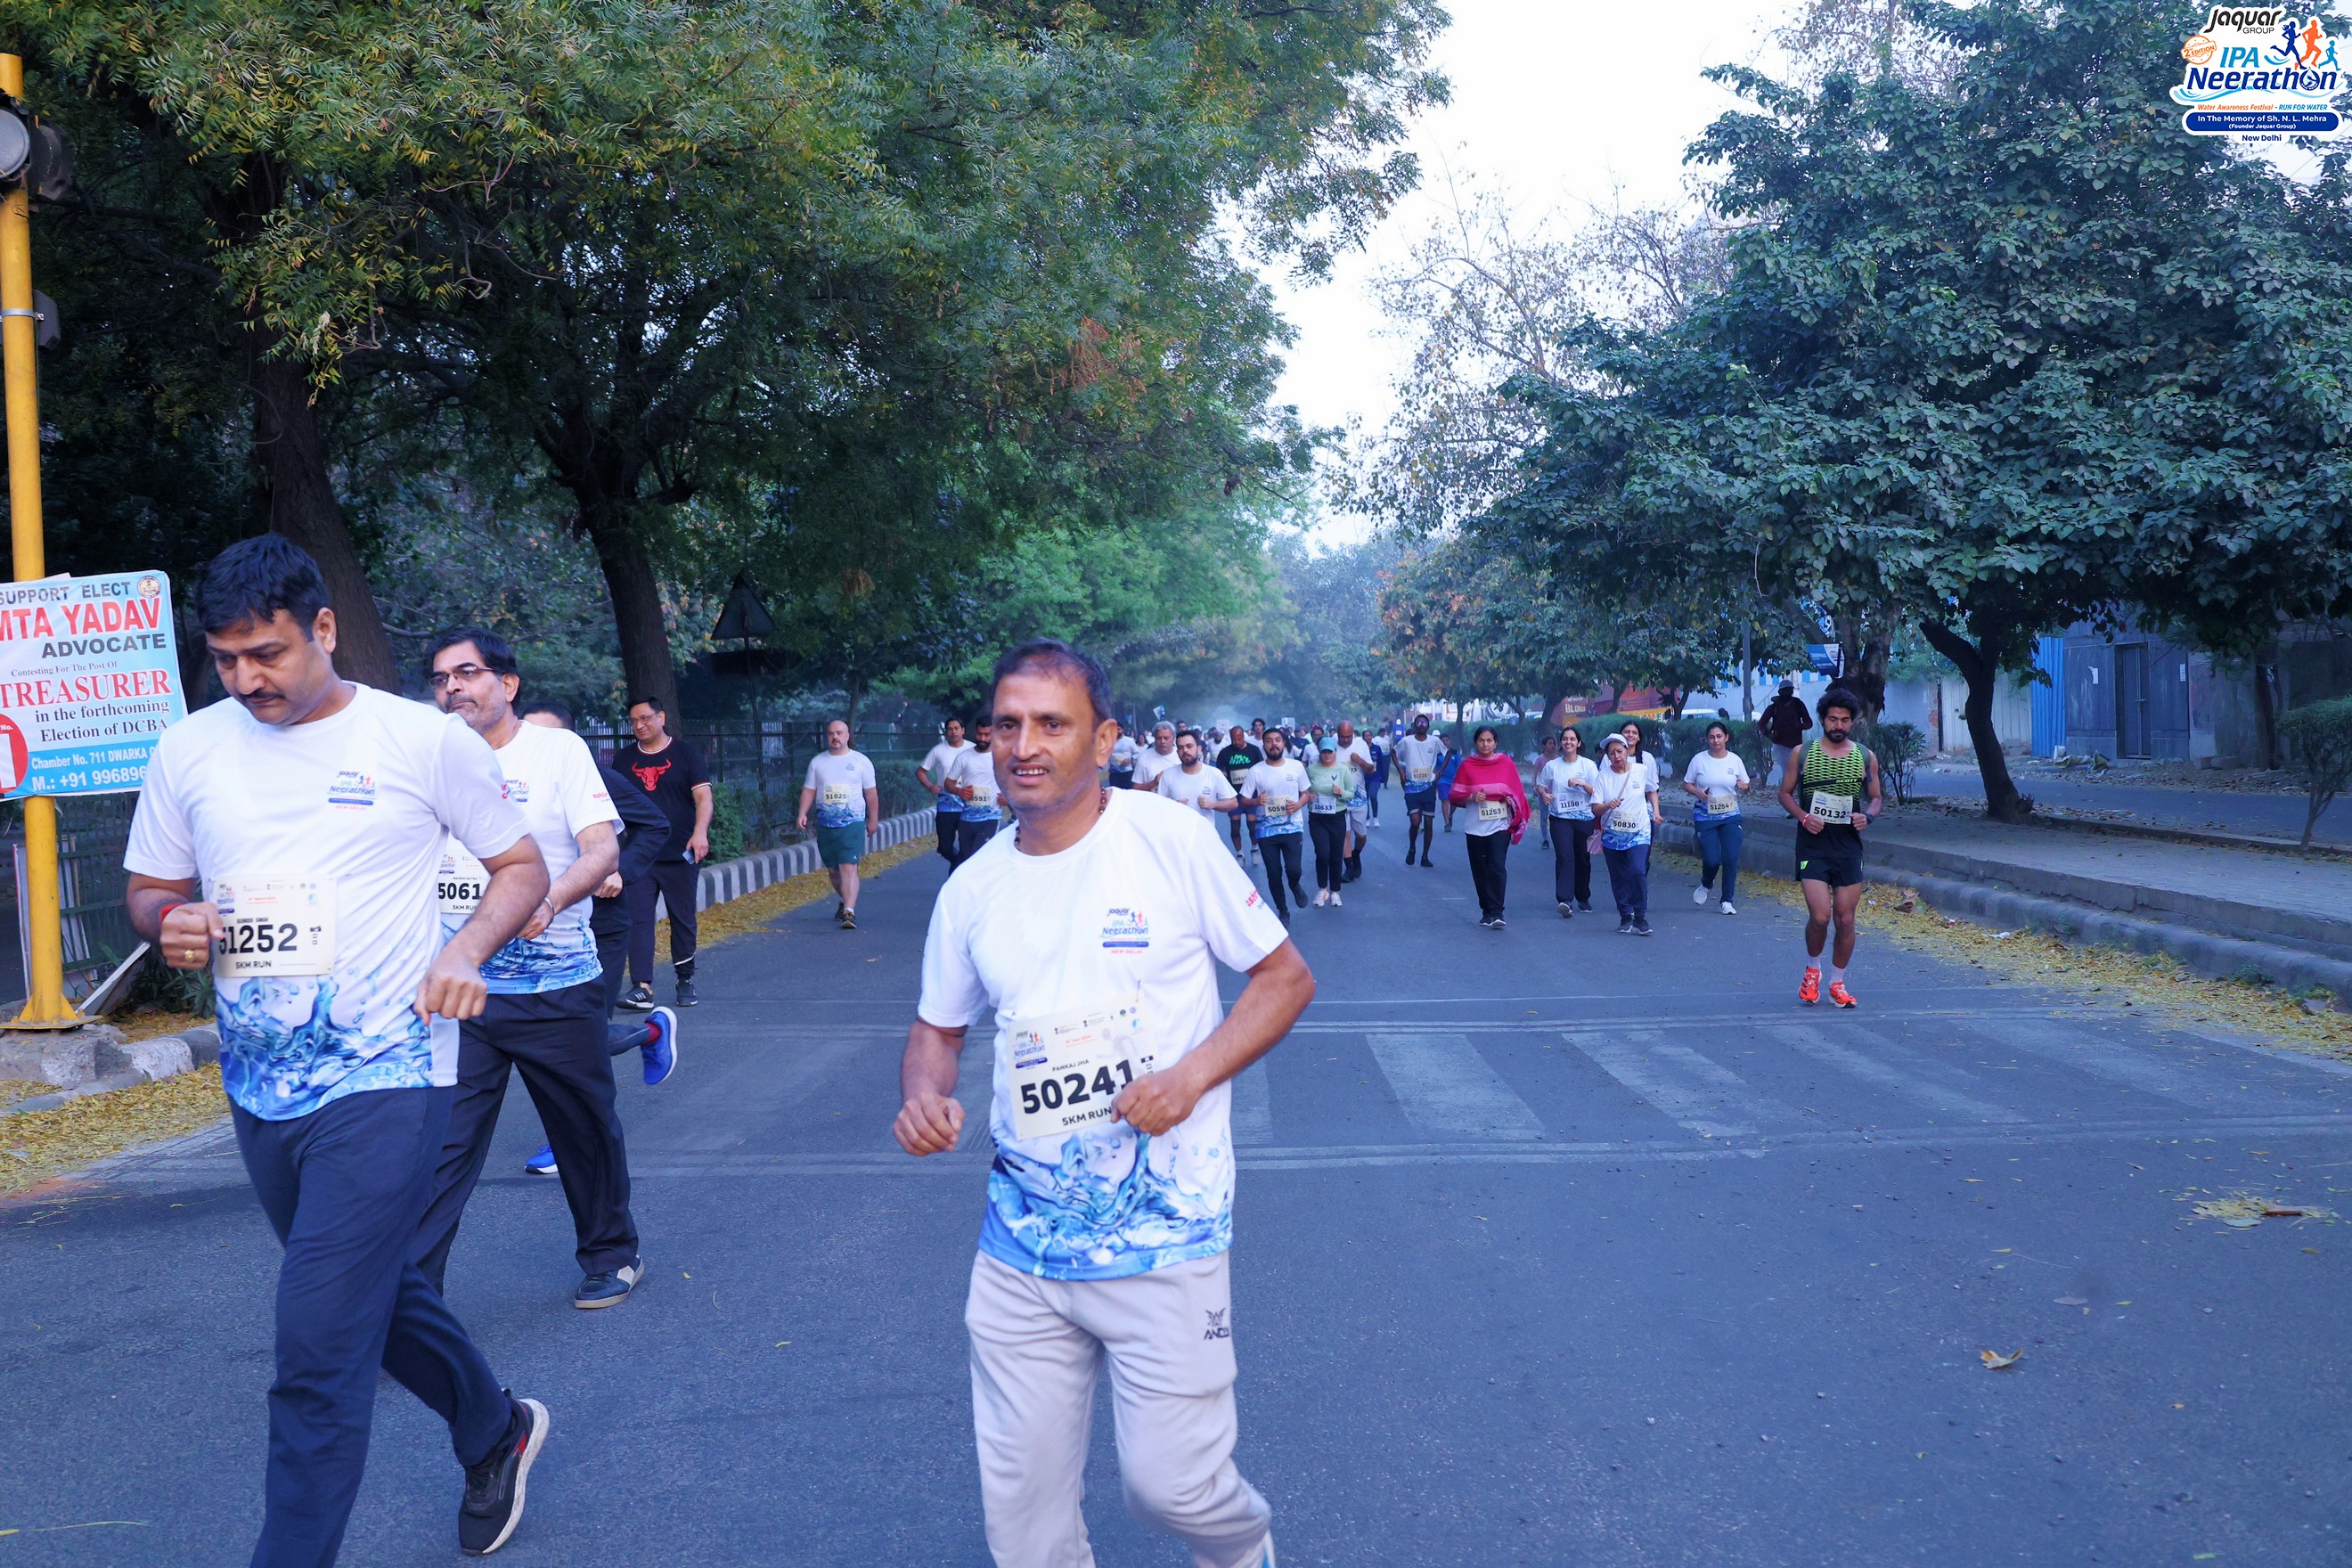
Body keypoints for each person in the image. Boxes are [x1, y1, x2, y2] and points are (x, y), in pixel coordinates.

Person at [124, 536, 554, 1563]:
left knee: (316, 1343)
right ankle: (495, 1426)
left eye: (267, 652)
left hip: (391, 1072)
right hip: (263, 1081)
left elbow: (521, 866)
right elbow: (149, 888)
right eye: (226, 658)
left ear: (324, 627)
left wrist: (466, 948)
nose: (246, 678)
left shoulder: (421, 739)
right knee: (373, 1289)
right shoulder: (191, 748)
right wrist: (169, 919)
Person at [893, 639, 1314, 1568]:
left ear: (1104, 739)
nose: (1024, 745)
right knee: (1023, 1519)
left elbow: (1285, 978)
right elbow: (937, 1030)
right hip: (1022, 1241)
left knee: (1173, 1487)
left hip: (1163, 1232)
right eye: (1008, 724)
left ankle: (1242, 1549)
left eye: (1052, 723)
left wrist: (1189, 1077)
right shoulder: (972, 889)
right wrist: (923, 1096)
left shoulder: (1170, 840)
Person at [417, 628, 642, 1311]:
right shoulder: (423, 760)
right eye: (441, 679)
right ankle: (414, 1294)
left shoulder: (556, 751)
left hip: (556, 987)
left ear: (507, 684)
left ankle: (611, 1254)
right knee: (442, 1145)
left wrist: (550, 899)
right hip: (462, 992)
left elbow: (602, 849)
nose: (452, 688)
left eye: (467, 673)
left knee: (583, 1131)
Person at [516, 702, 680, 1180]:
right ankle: (651, 1032)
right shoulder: (503, 779)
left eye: (547, 736)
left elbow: (655, 824)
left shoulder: (595, 780)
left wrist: (618, 870)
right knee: (532, 1036)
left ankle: (566, 1143)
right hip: (528, 930)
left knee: (579, 1039)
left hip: (598, 928)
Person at [1778, 688, 1882, 1008]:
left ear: (1852, 722)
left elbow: (1876, 798)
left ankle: (1838, 983)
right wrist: (1803, 816)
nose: (1839, 725)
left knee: (1846, 919)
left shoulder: (1865, 756)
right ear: (1822, 720)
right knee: (1821, 916)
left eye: (1845, 720)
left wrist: (1868, 816)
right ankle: (1813, 970)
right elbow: (1784, 793)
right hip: (1813, 845)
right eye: (1833, 719)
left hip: (1848, 846)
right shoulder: (1803, 753)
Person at [611, 696, 711, 1009]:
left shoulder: (686, 754)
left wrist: (700, 833)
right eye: (634, 721)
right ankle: (641, 986)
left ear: (661, 717)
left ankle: (685, 979)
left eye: (645, 718)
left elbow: (703, 798)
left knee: (682, 918)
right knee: (638, 919)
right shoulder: (624, 760)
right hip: (638, 855)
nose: (639, 725)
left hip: (680, 851)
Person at [797, 719, 880, 928]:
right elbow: (809, 790)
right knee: (834, 871)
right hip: (826, 823)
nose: (835, 737)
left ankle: (849, 913)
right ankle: (845, 901)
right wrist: (802, 813)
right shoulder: (818, 762)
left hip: (853, 823)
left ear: (848, 735)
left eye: (840, 733)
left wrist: (873, 819)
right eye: (831, 733)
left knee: (848, 866)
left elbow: (871, 793)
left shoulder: (861, 761)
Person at [1447, 726, 1529, 929]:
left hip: (1500, 826)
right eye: (1481, 740)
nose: (1485, 744)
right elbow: (1455, 795)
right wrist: (1472, 797)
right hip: (1475, 827)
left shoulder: (1506, 764)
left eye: (1489, 740)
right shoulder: (1468, 766)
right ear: (1476, 743)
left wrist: (1510, 800)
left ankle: (1498, 911)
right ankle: (1486, 910)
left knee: (1497, 866)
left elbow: (1516, 793)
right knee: (1480, 869)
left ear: (1495, 742)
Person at [1682, 720, 1752, 915]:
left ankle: (1727, 901)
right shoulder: (1699, 760)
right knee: (1712, 859)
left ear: (1726, 738)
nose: (1716, 740)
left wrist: (1745, 787)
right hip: (1705, 817)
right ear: (1707, 740)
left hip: (1730, 816)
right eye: (1712, 737)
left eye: (1719, 736)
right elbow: (1686, 783)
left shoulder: (1734, 760)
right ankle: (1706, 883)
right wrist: (1697, 792)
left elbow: (1746, 785)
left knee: (1731, 857)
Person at [1241, 729, 1311, 923]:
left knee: (1294, 869)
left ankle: (1295, 885)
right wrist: (1256, 801)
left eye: (1278, 740)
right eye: (1269, 741)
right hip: (1266, 830)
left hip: (1292, 826)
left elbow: (1306, 794)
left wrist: (1298, 804)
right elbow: (1244, 799)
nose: (1274, 744)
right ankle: (1283, 910)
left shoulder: (1296, 766)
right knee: (1274, 873)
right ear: (1263, 746)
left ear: (1284, 743)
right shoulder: (1256, 771)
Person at [1594, 734, 1660, 935]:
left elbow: (1652, 790)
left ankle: (1640, 916)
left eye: (1619, 751)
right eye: (1611, 753)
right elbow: (1595, 809)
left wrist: (1656, 811)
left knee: (1638, 870)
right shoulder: (1603, 776)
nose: (1616, 756)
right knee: (1619, 876)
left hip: (1639, 831)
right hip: (1613, 834)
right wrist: (1608, 805)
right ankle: (1625, 915)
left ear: (1627, 751)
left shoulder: (1641, 770)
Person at [1536, 726, 1598, 917]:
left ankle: (1583, 896)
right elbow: (1540, 785)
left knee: (1582, 858)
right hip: (1560, 818)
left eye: (1572, 739)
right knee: (1564, 856)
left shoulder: (1588, 765)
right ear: (1561, 743)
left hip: (1584, 818)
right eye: (1565, 739)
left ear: (1578, 743)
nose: (1568, 742)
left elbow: (1597, 792)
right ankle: (1565, 900)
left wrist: (1582, 783)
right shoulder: (1552, 766)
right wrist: (1544, 795)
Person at [1304, 737, 1359, 907]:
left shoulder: (1343, 770)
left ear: (1335, 752)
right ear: (1319, 753)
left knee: (1336, 855)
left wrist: (1341, 792)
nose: (1327, 755)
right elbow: (1303, 791)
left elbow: (1351, 793)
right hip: (1317, 817)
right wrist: (1308, 796)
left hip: (1337, 817)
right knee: (1322, 854)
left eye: (1330, 752)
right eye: (1324, 752)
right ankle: (1322, 889)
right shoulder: (1311, 770)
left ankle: (1335, 891)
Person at [944, 721, 1003, 864]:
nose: (982, 738)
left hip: (990, 817)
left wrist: (1008, 798)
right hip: (967, 819)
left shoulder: (1002, 757)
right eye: (979, 734)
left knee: (980, 858)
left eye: (987, 735)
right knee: (967, 862)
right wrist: (960, 791)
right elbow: (948, 784)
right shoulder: (964, 757)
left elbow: (1014, 783)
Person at [1156, 728, 1240, 821]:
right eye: (1181, 748)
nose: (1185, 751)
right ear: (1177, 752)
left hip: (1205, 830)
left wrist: (1212, 804)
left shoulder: (1213, 773)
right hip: (1176, 830)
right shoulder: (1168, 775)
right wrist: (1175, 806)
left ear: (1199, 749)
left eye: (1189, 746)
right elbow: (1159, 807)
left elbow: (1233, 803)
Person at [919, 718, 972, 864]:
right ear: (946, 732)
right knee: (945, 847)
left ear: (963, 730)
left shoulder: (973, 749)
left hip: (969, 804)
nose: (953, 732)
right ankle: (959, 864)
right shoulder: (938, 750)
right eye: (950, 729)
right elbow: (921, 772)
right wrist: (931, 786)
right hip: (947, 804)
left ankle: (960, 869)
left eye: (956, 728)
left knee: (968, 847)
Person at [1393, 715, 1443, 867]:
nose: (1422, 725)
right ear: (1414, 725)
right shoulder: (1407, 741)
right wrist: (1401, 771)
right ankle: (1412, 848)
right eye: (1419, 723)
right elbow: (1393, 753)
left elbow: (1447, 753)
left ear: (1428, 726)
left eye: (1424, 723)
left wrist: (1439, 773)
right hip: (1411, 787)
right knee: (1415, 821)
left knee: (1428, 823)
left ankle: (1425, 856)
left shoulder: (1434, 741)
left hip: (1428, 787)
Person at [1332, 721, 1376, 882]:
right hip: (1339, 799)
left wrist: (1360, 761)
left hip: (1359, 799)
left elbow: (1371, 770)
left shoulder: (1361, 745)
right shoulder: (1332, 745)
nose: (1345, 740)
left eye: (1348, 737)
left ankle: (1355, 854)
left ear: (1353, 734)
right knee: (1345, 834)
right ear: (1337, 734)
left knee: (1361, 836)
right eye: (1342, 737)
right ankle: (1349, 868)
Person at [1214, 725, 1263, 864]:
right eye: (1234, 739)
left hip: (1251, 794)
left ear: (1244, 737)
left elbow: (1261, 769)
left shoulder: (1253, 750)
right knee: (1235, 827)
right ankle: (1240, 853)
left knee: (1252, 825)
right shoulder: (1225, 752)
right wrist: (1223, 776)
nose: (1237, 742)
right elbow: (1219, 771)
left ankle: (1254, 848)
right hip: (1234, 795)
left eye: (1239, 739)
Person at [1761, 680, 1813, 789]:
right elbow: (1761, 723)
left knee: (1798, 770)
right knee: (1786, 770)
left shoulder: (1798, 705)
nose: (1787, 693)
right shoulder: (1774, 707)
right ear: (1779, 692)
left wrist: (1800, 726)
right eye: (1785, 691)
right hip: (1780, 744)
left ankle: (1795, 790)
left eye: (1789, 690)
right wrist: (1769, 735)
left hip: (1796, 744)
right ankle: (1787, 792)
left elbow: (1809, 723)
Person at [1132, 720, 1183, 791]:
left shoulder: (1181, 756)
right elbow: (1135, 788)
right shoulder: (1144, 757)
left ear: (1174, 738)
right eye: (1159, 738)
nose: (1162, 741)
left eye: (1166, 738)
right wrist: (1154, 783)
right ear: (1155, 739)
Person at [1532, 731, 1559, 849]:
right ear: (1544, 746)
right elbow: (1534, 774)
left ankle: (1557, 838)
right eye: (1550, 743)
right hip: (1543, 792)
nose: (1552, 746)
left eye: (1553, 743)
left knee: (1556, 817)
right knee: (1544, 816)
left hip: (1556, 793)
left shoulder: (1558, 760)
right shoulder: (1539, 759)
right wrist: (1534, 787)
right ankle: (1545, 839)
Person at [1434, 734, 1463, 834]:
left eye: (1447, 740)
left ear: (1450, 741)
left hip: (1454, 780)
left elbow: (1460, 766)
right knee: (1445, 801)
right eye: (1443, 740)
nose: (1445, 742)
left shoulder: (1455, 753)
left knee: (1454, 801)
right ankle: (1447, 823)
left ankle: (1450, 816)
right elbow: (1434, 768)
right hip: (1442, 781)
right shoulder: (1437, 754)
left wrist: (1459, 778)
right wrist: (1434, 780)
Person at [1107, 721, 1139, 789]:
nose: (1117, 731)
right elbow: (1107, 755)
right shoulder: (1109, 741)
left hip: (1127, 773)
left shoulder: (1129, 740)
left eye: (1119, 729)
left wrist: (1130, 760)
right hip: (1114, 774)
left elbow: (1136, 753)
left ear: (1123, 730)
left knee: (1128, 793)